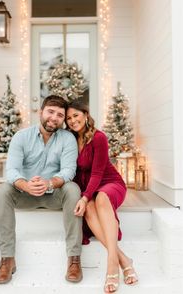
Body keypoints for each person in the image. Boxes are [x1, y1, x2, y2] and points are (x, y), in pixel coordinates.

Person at [0, 95, 83, 284]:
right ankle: (7, 259)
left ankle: (74, 259)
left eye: (60, 115)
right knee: (2, 191)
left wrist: (49, 183)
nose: (54, 118)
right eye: (51, 112)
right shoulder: (21, 136)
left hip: (54, 195)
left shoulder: (67, 139)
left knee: (73, 189)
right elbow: (12, 170)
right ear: (41, 111)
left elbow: (69, 170)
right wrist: (25, 185)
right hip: (24, 194)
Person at [66, 101, 138, 293]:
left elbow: (97, 173)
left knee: (101, 199)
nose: (73, 121)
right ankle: (124, 259)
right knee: (89, 207)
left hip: (110, 183)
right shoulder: (70, 139)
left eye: (76, 115)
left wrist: (85, 196)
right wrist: (83, 197)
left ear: (85, 114)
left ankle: (112, 264)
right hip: (90, 188)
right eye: (69, 118)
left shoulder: (99, 137)